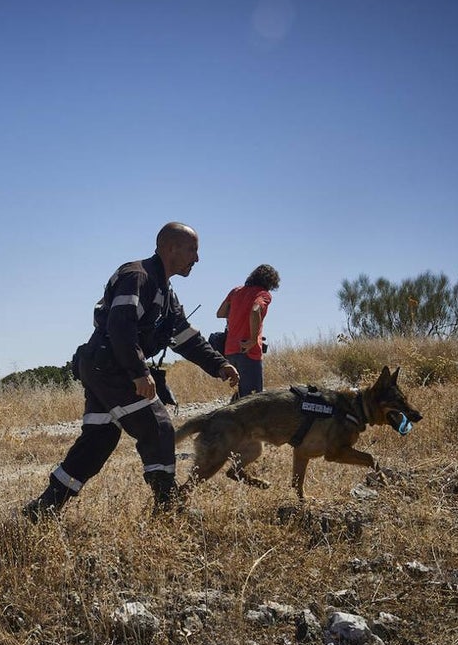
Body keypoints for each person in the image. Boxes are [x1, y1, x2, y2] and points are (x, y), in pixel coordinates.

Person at [23, 222, 239, 520]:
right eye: (192, 250)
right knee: (158, 426)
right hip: (111, 367)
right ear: (170, 247)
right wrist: (139, 372)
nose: (197, 259)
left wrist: (219, 364)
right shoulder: (137, 275)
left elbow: (184, 337)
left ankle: (43, 509)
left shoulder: (165, 291)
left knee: (98, 441)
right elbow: (119, 325)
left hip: (106, 367)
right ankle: (167, 508)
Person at [216, 264, 280, 399]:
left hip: (230, 351)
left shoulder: (236, 291)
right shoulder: (263, 294)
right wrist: (252, 339)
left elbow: (220, 313)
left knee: (240, 396)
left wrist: (236, 313)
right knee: (252, 400)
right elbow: (255, 310)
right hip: (248, 351)